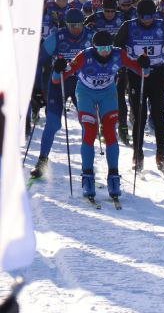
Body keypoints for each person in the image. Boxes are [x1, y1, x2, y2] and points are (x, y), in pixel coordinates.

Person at [53, 30, 144, 202]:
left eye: (108, 47)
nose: (105, 51)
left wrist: (143, 64)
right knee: (90, 131)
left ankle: (114, 177)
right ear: (94, 47)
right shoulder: (84, 57)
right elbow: (58, 79)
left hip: (108, 93)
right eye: (101, 47)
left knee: (110, 132)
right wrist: (58, 69)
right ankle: (87, 176)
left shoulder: (118, 54)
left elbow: (142, 72)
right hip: (85, 93)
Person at [114, 0, 164, 173]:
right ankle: (137, 155)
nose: (148, 21)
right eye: (144, 17)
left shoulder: (162, 25)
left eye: (151, 17)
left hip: (157, 74)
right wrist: (124, 62)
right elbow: (116, 47)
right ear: (138, 15)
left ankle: (161, 155)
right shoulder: (129, 26)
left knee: (157, 115)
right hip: (136, 75)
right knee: (139, 116)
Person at [30, 7, 91, 179]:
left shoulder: (90, 36)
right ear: (66, 24)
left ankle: (88, 163)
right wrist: (38, 88)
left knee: (87, 123)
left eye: (79, 24)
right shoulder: (57, 37)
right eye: (72, 25)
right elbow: (40, 61)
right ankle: (42, 161)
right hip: (59, 84)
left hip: (82, 85)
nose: (76, 29)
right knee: (52, 123)